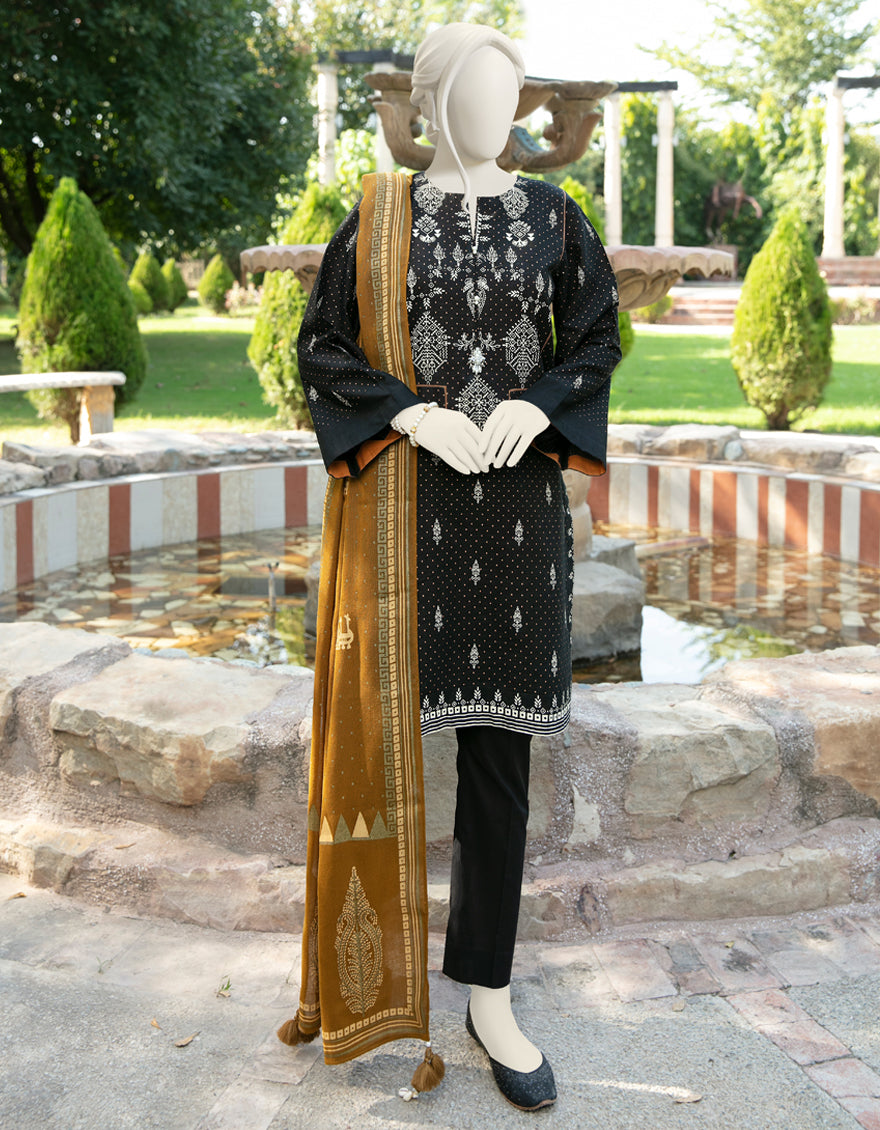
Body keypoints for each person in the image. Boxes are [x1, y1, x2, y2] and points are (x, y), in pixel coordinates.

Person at [278, 22, 621, 1112]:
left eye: (508, 94)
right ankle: (375, 980)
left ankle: (489, 991)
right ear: (430, 103)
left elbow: (597, 337)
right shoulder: (381, 217)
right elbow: (322, 345)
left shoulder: (554, 218)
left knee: (498, 762)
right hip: (403, 516)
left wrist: (539, 402)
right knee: (380, 743)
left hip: (516, 520)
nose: (495, 114)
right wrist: (410, 417)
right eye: (475, 92)